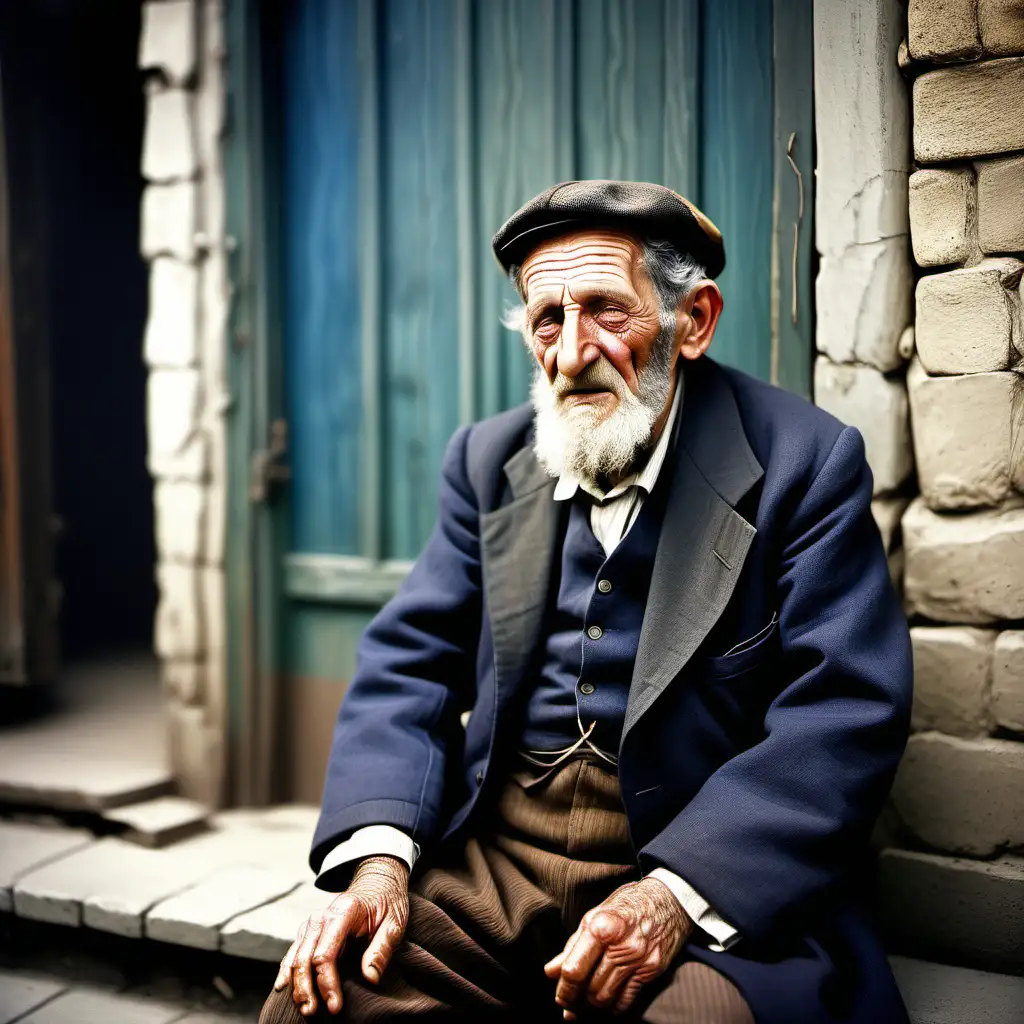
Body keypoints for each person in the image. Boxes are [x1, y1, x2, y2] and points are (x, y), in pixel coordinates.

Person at [260, 180, 913, 1023]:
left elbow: (845, 712)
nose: (572, 353)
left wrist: (672, 900)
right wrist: (381, 867)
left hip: (698, 874)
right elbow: (405, 666)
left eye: (607, 311)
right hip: (496, 872)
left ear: (694, 321)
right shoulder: (488, 462)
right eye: (546, 320)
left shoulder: (803, 465)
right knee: (322, 999)